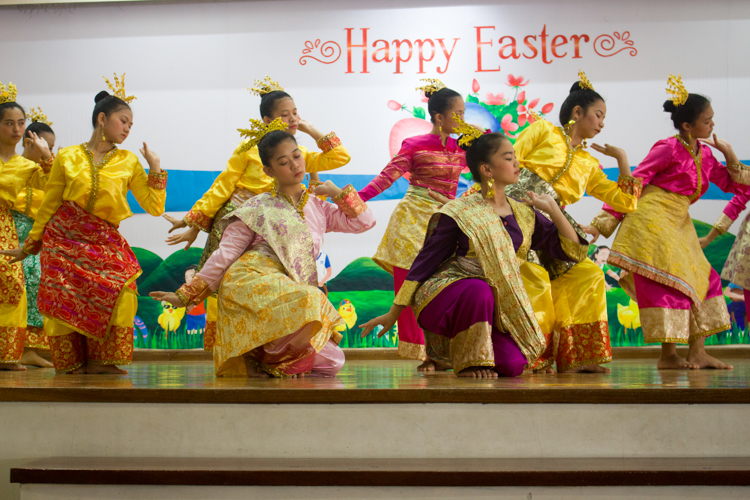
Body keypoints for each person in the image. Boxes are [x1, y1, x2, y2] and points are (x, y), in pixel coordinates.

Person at [360, 118, 588, 378]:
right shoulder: (459, 211)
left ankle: (477, 351)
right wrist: (394, 313)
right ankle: (471, 362)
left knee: (512, 366)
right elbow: (425, 262)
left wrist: (554, 210)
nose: (517, 164)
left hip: (499, 303)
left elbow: (571, 251)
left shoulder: (524, 213)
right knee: (479, 289)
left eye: (515, 157)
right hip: (449, 293)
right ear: (487, 170)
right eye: (509, 158)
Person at [150, 122, 375, 378]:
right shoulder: (256, 206)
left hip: (292, 290)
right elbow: (226, 253)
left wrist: (338, 193)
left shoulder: (319, 208)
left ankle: (264, 359)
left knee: (333, 361)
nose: (294, 165)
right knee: (312, 299)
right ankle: (273, 358)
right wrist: (186, 295)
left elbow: (364, 222)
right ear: (268, 170)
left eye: (297, 156)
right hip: (253, 281)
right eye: (283, 162)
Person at [163, 75, 351, 349]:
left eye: (295, 113)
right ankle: (230, 348)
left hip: (276, 231)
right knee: (224, 279)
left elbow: (340, 157)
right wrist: (195, 221)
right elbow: (221, 187)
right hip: (240, 223)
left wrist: (311, 129)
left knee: (282, 286)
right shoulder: (249, 151)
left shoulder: (299, 154)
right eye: (285, 115)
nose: (293, 119)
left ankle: (274, 348)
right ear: (266, 120)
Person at [1, 74, 168, 374]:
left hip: (104, 240)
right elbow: (51, 204)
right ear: (102, 119)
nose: (128, 128)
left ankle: (102, 361)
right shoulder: (67, 157)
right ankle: (72, 362)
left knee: (124, 290)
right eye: (123, 120)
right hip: (63, 241)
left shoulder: (129, 161)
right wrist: (29, 247)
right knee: (61, 295)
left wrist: (155, 168)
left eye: (131, 124)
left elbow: (154, 207)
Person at [589, 74, 750, 369]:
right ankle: (668, 356)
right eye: (707, 120)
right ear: (687, 125)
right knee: (674, 281)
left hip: (678, 219)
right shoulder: (668, 147)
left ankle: (697, 352)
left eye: (713, 119)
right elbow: (635, 182)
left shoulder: (704, 154)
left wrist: (729, 154)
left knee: (706, 279)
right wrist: (602, 224)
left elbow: (737, 186)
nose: (712, 124)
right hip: (652, 216)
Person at [508, 70, 642, 373]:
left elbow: (627, 202)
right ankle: (533, 357)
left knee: (588, 274)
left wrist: (621, 160)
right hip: (515, 216)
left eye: (604, 117)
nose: (602, 123)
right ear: (577, 112)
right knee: (535, 278)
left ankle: (578, 356)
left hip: (553, 226)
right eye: (598, 115)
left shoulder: (590, 165)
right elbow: (508, 161)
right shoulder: (542, 130)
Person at [358, 78, 468, 370]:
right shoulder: (415, 144)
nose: (462, 119)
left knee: (442, 286)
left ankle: (444, 350)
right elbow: (386, 177)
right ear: (439, 117)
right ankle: (426, 354)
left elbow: (488, 174)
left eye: (464, 113)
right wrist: (354, 200)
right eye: (457, 114)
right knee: (409, 285)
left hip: (445, 220)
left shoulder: (464, 150)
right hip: (411, 222)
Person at [0, 82, 53, 371]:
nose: (17, 129)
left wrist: (47, 157)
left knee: (13, 288)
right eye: (9, 123)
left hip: (7, 230)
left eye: (20, 123)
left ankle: (8, 355)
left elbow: (52, 187)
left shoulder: (27, 167)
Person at [10, 109, 58, 368]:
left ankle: (28, 349)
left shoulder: (47, 173)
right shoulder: (12, 166)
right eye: (44, 146)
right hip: (8, 236)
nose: (48, 151)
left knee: (35, 286)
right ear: (29, 142)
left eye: (51, 147)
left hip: (35, 240)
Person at [184, 265, 207, 335]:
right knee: (189, 332)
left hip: (200, 315)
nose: (188, 279)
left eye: (191, 276)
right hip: (190, 315)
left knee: (200, 332)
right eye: (186, 277)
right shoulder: (186, 290)